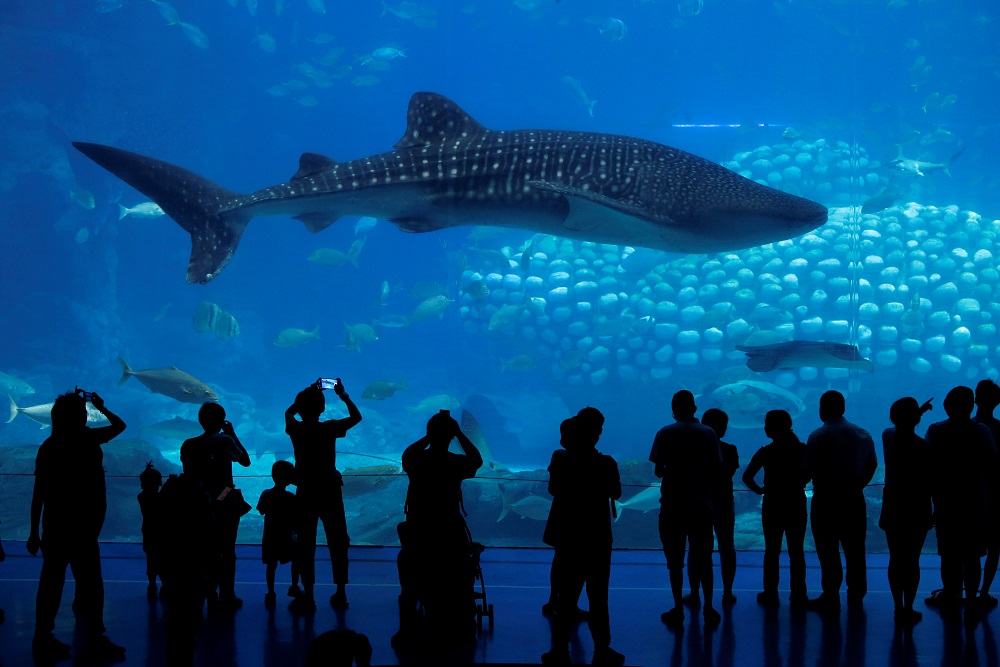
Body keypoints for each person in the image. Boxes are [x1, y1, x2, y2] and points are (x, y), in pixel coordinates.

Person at [26, 389, 127, 661]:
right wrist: (101, 407)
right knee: (90, 584)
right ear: (75, 417)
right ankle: (95, 637)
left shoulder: (49, 446)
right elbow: (120, 426)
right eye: (82, 413)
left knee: (52, 582)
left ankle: (43, 636)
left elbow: (40, 493)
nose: (85, 416)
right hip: (81, 529)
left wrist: (34, 531)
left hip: (57, 527)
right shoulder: (88, 439)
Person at [393, 410, 483, 649]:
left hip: (418, 527)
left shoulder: (417, 460)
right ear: (451, 436)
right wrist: (459, 434)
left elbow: (408, 454)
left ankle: (406, 629)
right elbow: (477, 460)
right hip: (448, 528)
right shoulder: (455, 462)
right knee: (460, 567)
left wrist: (429, 437)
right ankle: (458, 621)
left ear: (429, 434)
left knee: (411, 577)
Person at [541, 411, 624, 667]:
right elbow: (616, 492)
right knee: (599, 595)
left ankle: (560, 648)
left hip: (569, 534)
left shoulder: (560, 459)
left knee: (567, 595)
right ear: (596, 435)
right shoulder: (607, 463)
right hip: (598, 536)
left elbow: (553, 488)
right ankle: (602, 647)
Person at [285, 378, 362, 612]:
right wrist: (343, 395)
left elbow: (289, 413)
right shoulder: (329, 428)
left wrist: (307, 393)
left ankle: (308, 595)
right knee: (338, 540)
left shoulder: (296, 429)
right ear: (322, 409)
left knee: (306, 543)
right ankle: (340, 592)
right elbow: (356, 417)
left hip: (306, 489)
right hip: (329, 490)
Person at [649, 390, 723, 628]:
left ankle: (678, 609)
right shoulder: (709, 433)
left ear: (673, 410)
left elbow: (658, 470)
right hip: (701, 504)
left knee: (675, 561)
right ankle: (710, 607)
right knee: (704, 558)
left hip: (673, 505)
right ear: (694, 407)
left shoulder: (665, 432)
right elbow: (716, 468)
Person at [925, 385, 997, 625]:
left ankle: (951, 595)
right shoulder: (981, 431)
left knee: (949, 554)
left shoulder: (936, 431)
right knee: (973, 554)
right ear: (971, 405)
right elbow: (992, 465)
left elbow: (929, 468)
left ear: (946, 405)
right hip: (975, 501)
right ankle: (973, 601)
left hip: (946, 502)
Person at [804, 390, 877, 613]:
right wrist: (858, 485)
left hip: (825, 499)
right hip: (854, 499)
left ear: (822, 409)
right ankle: (856, 593)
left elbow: (809, 469)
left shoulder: (817, 436)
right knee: (855, 549)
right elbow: (872, 464)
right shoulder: (863, 434)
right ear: (843, 408)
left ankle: (831, 594)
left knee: (827, 550)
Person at [180, 402, 251, 611]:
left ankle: (207, 592)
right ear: (222, 421)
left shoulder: (189, 444)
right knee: (227, 549)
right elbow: (245, 461)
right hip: (224, 496)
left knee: (203, 548)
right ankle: (227, 593)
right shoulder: (225, 439)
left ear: (200, 420)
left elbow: (190, 475)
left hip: (200, 500)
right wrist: (233, 433)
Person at [742, 409, 810, 608]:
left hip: (772, 503)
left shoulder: (766, 452)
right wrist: (799, 482)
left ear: (770, 428)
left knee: (771, 551)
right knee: (796, 551)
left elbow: (747, 477)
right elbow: (810, 474)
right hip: (796, 501)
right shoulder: (802, 449)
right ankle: (799, 594)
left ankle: (770, 593)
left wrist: (760, 491)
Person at [879, 396, 933, 624]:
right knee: (912, 560)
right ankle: (909, 607)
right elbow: (930, 481)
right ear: (916, 419)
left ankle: (897, 605)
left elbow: (897, 427)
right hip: (916, 506)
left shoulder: (888, 437)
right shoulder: (924, 447)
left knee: (895, 557)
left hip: (893, 505)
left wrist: (916, 413)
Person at [158, 465, 215, 667]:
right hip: (195, 563)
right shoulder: (203, 496)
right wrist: (228, 491)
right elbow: (216, 505)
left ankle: (177, 652)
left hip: (175, 562)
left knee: (176, 614)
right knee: (191, 611)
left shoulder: (172, 493)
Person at [682, 408, 738, 608]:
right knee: (726, 547)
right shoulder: (730, 449)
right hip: (723, 501)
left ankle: (695, 593)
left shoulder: (693, 450)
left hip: (699, 502)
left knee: (696, 547)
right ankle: (727, 592)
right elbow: (727, 473)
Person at [257, 459, 300, 608]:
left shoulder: (266, 493)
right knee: (296, 560)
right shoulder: (290, 497)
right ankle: (294, 586)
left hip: (270, 536)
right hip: (287, 536)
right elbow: (295, 517)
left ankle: (271, 592)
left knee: (271, 565)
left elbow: (261, 510)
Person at [973, 379, 1000, 606]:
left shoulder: (968, 427)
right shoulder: (999, 429)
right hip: (995, 496)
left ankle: (968, 591)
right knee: (994, 548)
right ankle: (983, 591)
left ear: (975, 399)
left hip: (970, 497)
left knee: (968, 548)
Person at [138, 461, 164, 598]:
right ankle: (164, 585)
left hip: (148, 533)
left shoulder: (142, 496)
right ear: (159, 483)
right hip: (160, 534)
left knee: (151, 560)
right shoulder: (159, 498)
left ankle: (152, 584)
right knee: (163, 560)